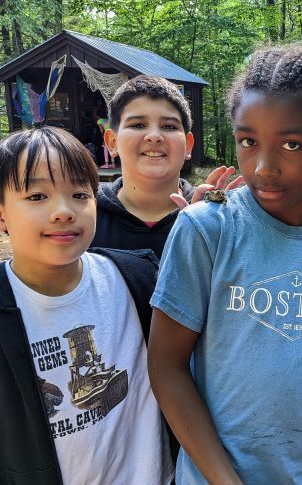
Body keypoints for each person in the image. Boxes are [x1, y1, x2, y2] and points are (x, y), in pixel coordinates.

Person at [147, 45, 302, 484]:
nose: (264, 166)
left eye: (291, 144)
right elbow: (166, 366)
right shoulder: (208, 230)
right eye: (248, 142)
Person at [0, 126, 173, 484]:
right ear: (2, 214)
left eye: (80, 194)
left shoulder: (138, 278)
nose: (63, 211)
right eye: (36, 196)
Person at [90, 75, 242, 259]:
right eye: (138, 125)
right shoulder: (86, 214)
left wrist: (214, 231)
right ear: (112, 142)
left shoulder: (214, 214)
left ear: (188, 145)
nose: (154, 136)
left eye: (169, 126)